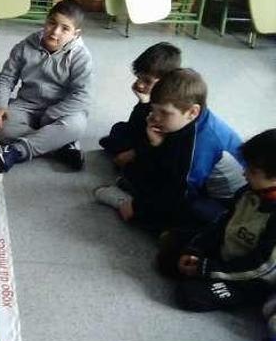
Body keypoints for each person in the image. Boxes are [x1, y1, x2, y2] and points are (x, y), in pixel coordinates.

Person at [94, 69, 245, 231]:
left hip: (223, 203)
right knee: (138, 159)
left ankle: (126, 201)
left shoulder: (203, 144)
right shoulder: (186, 120)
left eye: (164, 112)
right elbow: (171, 162)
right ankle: (137, 191)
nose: (156, 117)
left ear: (193, 112)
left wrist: (138, 207)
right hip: (190, 181)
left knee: (189, 216)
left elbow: (180, 193)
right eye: (154, 109)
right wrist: (153, 144)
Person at [157, 129, 276, 312]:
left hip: (248, 279)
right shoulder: (248, 190)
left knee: (190, 295)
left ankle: (215, 284)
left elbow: (262, 267)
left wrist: (208, 269)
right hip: (225, 253)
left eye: (252, 171)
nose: (244, 174)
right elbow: (221, 223)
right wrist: (195, 250)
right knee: (169, 251)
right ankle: (200, 270)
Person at [0, 0, 93, 172]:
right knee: (2, 129)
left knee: (77, 126)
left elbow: (82, 95)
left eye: (65, 28)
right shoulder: (25, 46)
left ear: (76, 34)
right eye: (52, 23)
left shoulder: (81, 56)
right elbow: (6, 78)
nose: (55, 32)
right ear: (46, 21)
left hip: (62, 110)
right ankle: (61, 146)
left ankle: (17, 151)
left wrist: (51, 114)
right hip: (28, 104)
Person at [99, 42, 182, 166]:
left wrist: (134, 153)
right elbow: (135, 125)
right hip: (143, 135)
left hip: (156, 146)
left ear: (166, 81)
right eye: (139, 77)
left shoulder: (170, 106)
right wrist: (143, 102)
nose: (140, 84)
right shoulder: (153, 95)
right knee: (119, 128)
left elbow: (159, 142)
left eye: (147, 81)